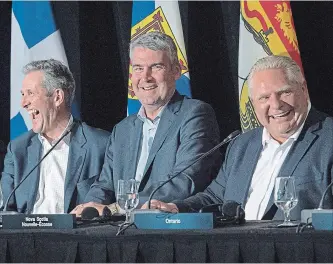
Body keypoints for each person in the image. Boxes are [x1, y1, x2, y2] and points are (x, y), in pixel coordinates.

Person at [144, 55, 333, 221]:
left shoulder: (328, 138)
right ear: (253, 103)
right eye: (264, 98)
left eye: (284, 92)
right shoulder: (241, 145)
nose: (276, 105)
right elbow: (215, 197)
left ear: (304, 89)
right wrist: (177, 207)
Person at [72, 31, 221, 216]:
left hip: (171, 228)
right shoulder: (123, 129)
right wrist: (90, 207)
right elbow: (104, 184)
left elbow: (186, 180)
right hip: (120, 230)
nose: (146, 77)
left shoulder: (195, 114)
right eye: (138, 68)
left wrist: (118, 208)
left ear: (176, 71)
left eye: (156, 67)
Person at [1, 59, 111, 214]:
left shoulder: (100, 145)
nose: (23, 103)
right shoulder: (18, 149)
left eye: (30, 93)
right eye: (23, 94)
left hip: (75, 236)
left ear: (57, 97)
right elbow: (6, 209)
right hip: (25, 236)